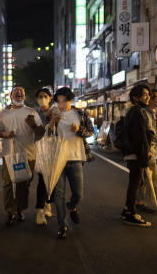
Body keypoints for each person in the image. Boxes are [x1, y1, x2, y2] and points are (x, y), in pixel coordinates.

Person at [0, 86, 45, 225]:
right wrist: (6, 134)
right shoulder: (3, 113)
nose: (18, 94)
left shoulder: (31, 112)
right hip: (9, 154)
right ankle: (10, 211)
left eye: (21, 93)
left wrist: (33, 125)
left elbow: (41, 133)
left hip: (27, 155)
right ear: (10, 95)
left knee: (23, 184)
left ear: (24, 97)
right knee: (8, 184)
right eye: (16, 93)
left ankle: (20, 209)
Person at [47, 87, 94, 239]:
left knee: (78, 194)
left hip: (76, 157)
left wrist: (79, 129)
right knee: (59, 194)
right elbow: (47, 134)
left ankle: (72, 206)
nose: (61, 105)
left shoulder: (79, 113)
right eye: (58, 101)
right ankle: (62, 225)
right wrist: (53, 120)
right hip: (58, 159)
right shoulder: (53, 114)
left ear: (70, 100)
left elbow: (90, 131)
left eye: (64, 101)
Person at [121, 84, 152, 227]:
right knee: (135, 183)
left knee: (135, 183)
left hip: (134, 153)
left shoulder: (135, 111)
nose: (148, 97)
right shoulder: (137, 112)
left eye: (148, 94)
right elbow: (140, 137)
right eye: (145, 94)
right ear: (136, 97)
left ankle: (127, 210)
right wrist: (144, 155)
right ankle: (130, 214)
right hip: (136, 153)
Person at [34, 88, 53, 225]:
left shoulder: (56, 112)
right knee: (42, 180)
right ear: (36, 99)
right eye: (40, 96)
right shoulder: (34, 113)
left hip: (55, 151)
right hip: (40, 150)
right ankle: (40, 211)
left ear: (50, 98)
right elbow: (36, 132)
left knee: (52, 180)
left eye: (45, 96)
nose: (43, 98)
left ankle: (47, 202)